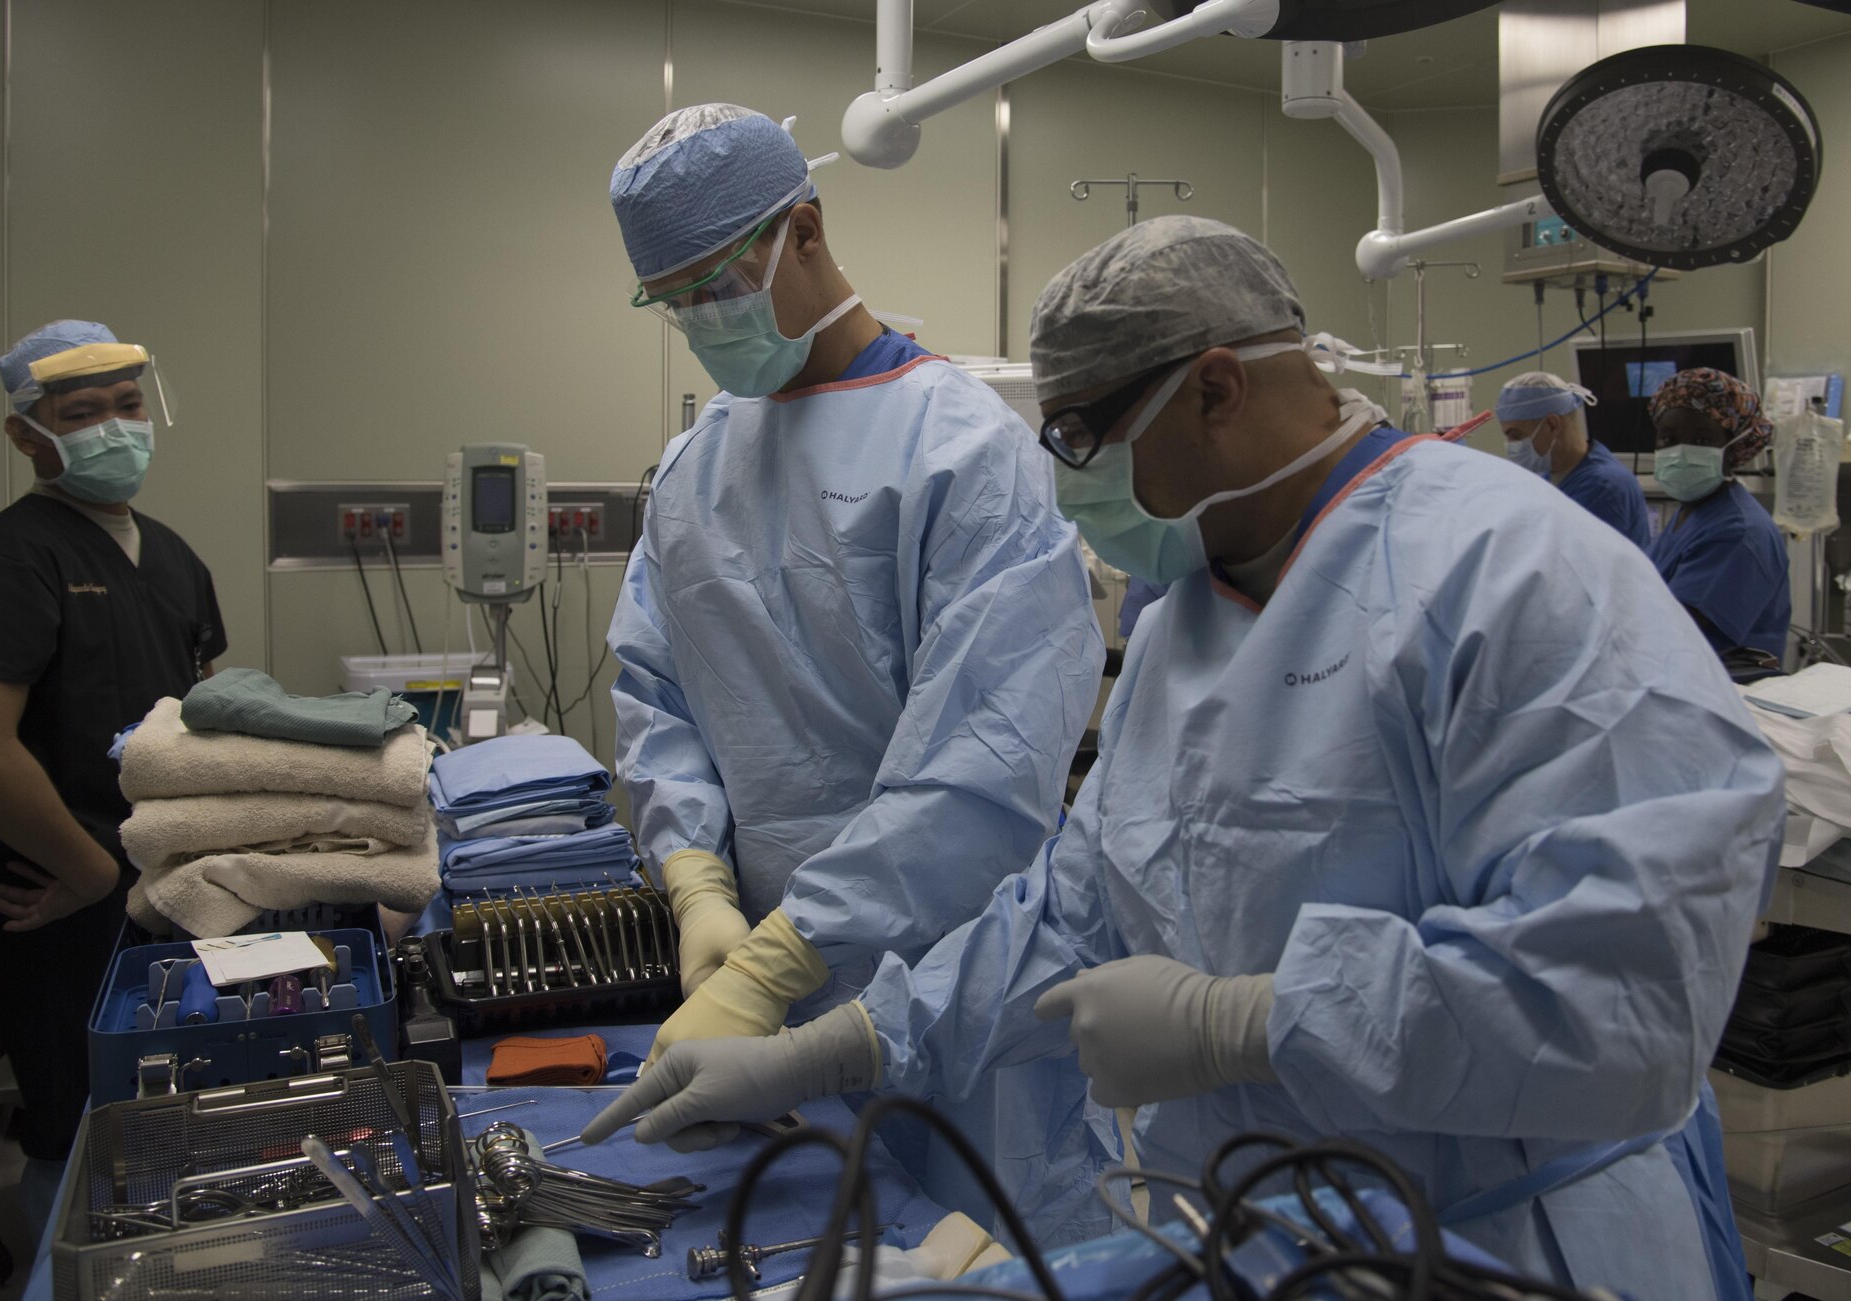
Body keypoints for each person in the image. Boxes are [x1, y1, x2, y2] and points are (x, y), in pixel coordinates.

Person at [584, 218, 1783, 1301]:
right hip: (1271, 1239)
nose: (1066, 481)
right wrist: (827, 1043)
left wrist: (1243, 1023)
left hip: (1513, 1248)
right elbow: (1072, 911)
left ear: (1214, 387)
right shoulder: (1184, 617)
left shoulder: (1514, 576)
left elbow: (1625, 1001)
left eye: (1081, 435)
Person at [605, 105, 1112, 1242]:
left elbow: (979, 767)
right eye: (673, 299)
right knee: (800, 1245)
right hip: (754, 963)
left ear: (806, 228)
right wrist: (695, 882)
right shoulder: (693, 466)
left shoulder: (962, 451)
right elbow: (656, 687)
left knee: (979, 1244)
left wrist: (786, 958)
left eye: (717, 284)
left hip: (949, 974)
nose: (700, 318)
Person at [0, 320, 224, 1226]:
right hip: (57, 900)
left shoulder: (173, 557)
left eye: (127, 406)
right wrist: (92, 871)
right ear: (28, 434)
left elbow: (204, 722)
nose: (114, 428)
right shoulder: (12, 559)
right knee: (80, 1137)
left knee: (172, 1121)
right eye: (83, 412)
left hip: (159, 885)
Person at [1648, 368, 1792, 665]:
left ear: (1734, 447)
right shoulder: (1692, 512)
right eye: (1668, 438)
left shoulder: (1739, 532)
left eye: (1701, 441)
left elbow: (1676, 631)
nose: (1680, 452)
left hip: (1729, 689)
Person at [1496, 370, 1651, 548]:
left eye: (1516, 436)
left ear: (1552, 425)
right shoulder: (1553, 476)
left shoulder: (1603, 487)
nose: (1510, 445)